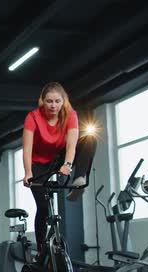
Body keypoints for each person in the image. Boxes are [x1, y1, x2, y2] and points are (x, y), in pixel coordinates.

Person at [22, 82, 96, 254]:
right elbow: (27, 148)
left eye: (57, 101)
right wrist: (28, 173)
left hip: (59, 157)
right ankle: (41, 248)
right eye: (49, 101)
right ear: (42, 101)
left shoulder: (70, 115)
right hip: (38, 163)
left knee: (90, 138)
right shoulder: (32, 117)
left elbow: (71, 145)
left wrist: (68, 165)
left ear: (64, 101)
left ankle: (80, 179)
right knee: (43, 208)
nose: (53, 105)